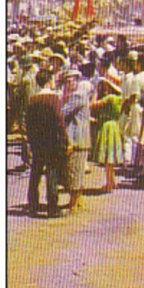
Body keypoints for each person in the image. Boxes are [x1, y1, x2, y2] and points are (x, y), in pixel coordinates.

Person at [25, 69, 69, 218]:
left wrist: (30, 141)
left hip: (38, 142)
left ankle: (32, 204)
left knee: (35, 172)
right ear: (49, 80)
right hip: (52, 141)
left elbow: (28, 123)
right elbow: (59, 121)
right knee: (52, 173)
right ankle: (52, 206)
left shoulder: (32, 99)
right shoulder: (53, 98)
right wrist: (66, 140)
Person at [61, 68, 92, 213]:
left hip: (76, 138)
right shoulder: (78, 94)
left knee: (73, 171)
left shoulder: (78, 95)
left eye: (70, 81)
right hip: (79, 137)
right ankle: (77, 201)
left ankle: (73, 204)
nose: (67, 84)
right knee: (76, 171)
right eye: (66, 82)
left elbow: (64, 112)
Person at [92, 78, 124, 193]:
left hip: (107, 125)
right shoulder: (119, 98)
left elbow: (93, 105)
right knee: (110, 156)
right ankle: (112, 180)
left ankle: (109, 183)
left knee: (107, 157)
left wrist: (95, 93)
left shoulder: (109, 98)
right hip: (115, 125)